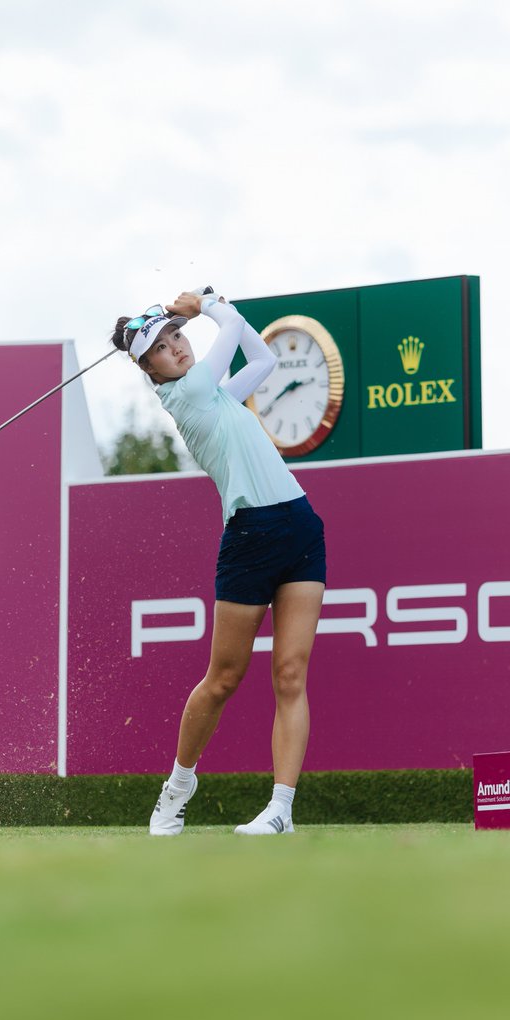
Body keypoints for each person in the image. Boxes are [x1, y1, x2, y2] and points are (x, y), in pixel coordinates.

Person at [111, 289, 326, 836]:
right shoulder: (185, 396)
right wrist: (206, 303)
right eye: (161, 347)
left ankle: (281, 809)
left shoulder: (219, 395)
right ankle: (178, 787)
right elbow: (229, 333)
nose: (177, 348)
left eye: (176, 337)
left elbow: (264, 359)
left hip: (299, 525)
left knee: (291, 673)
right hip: (250, 536)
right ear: (149, 370)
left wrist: (209, 309)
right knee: (223, 678)